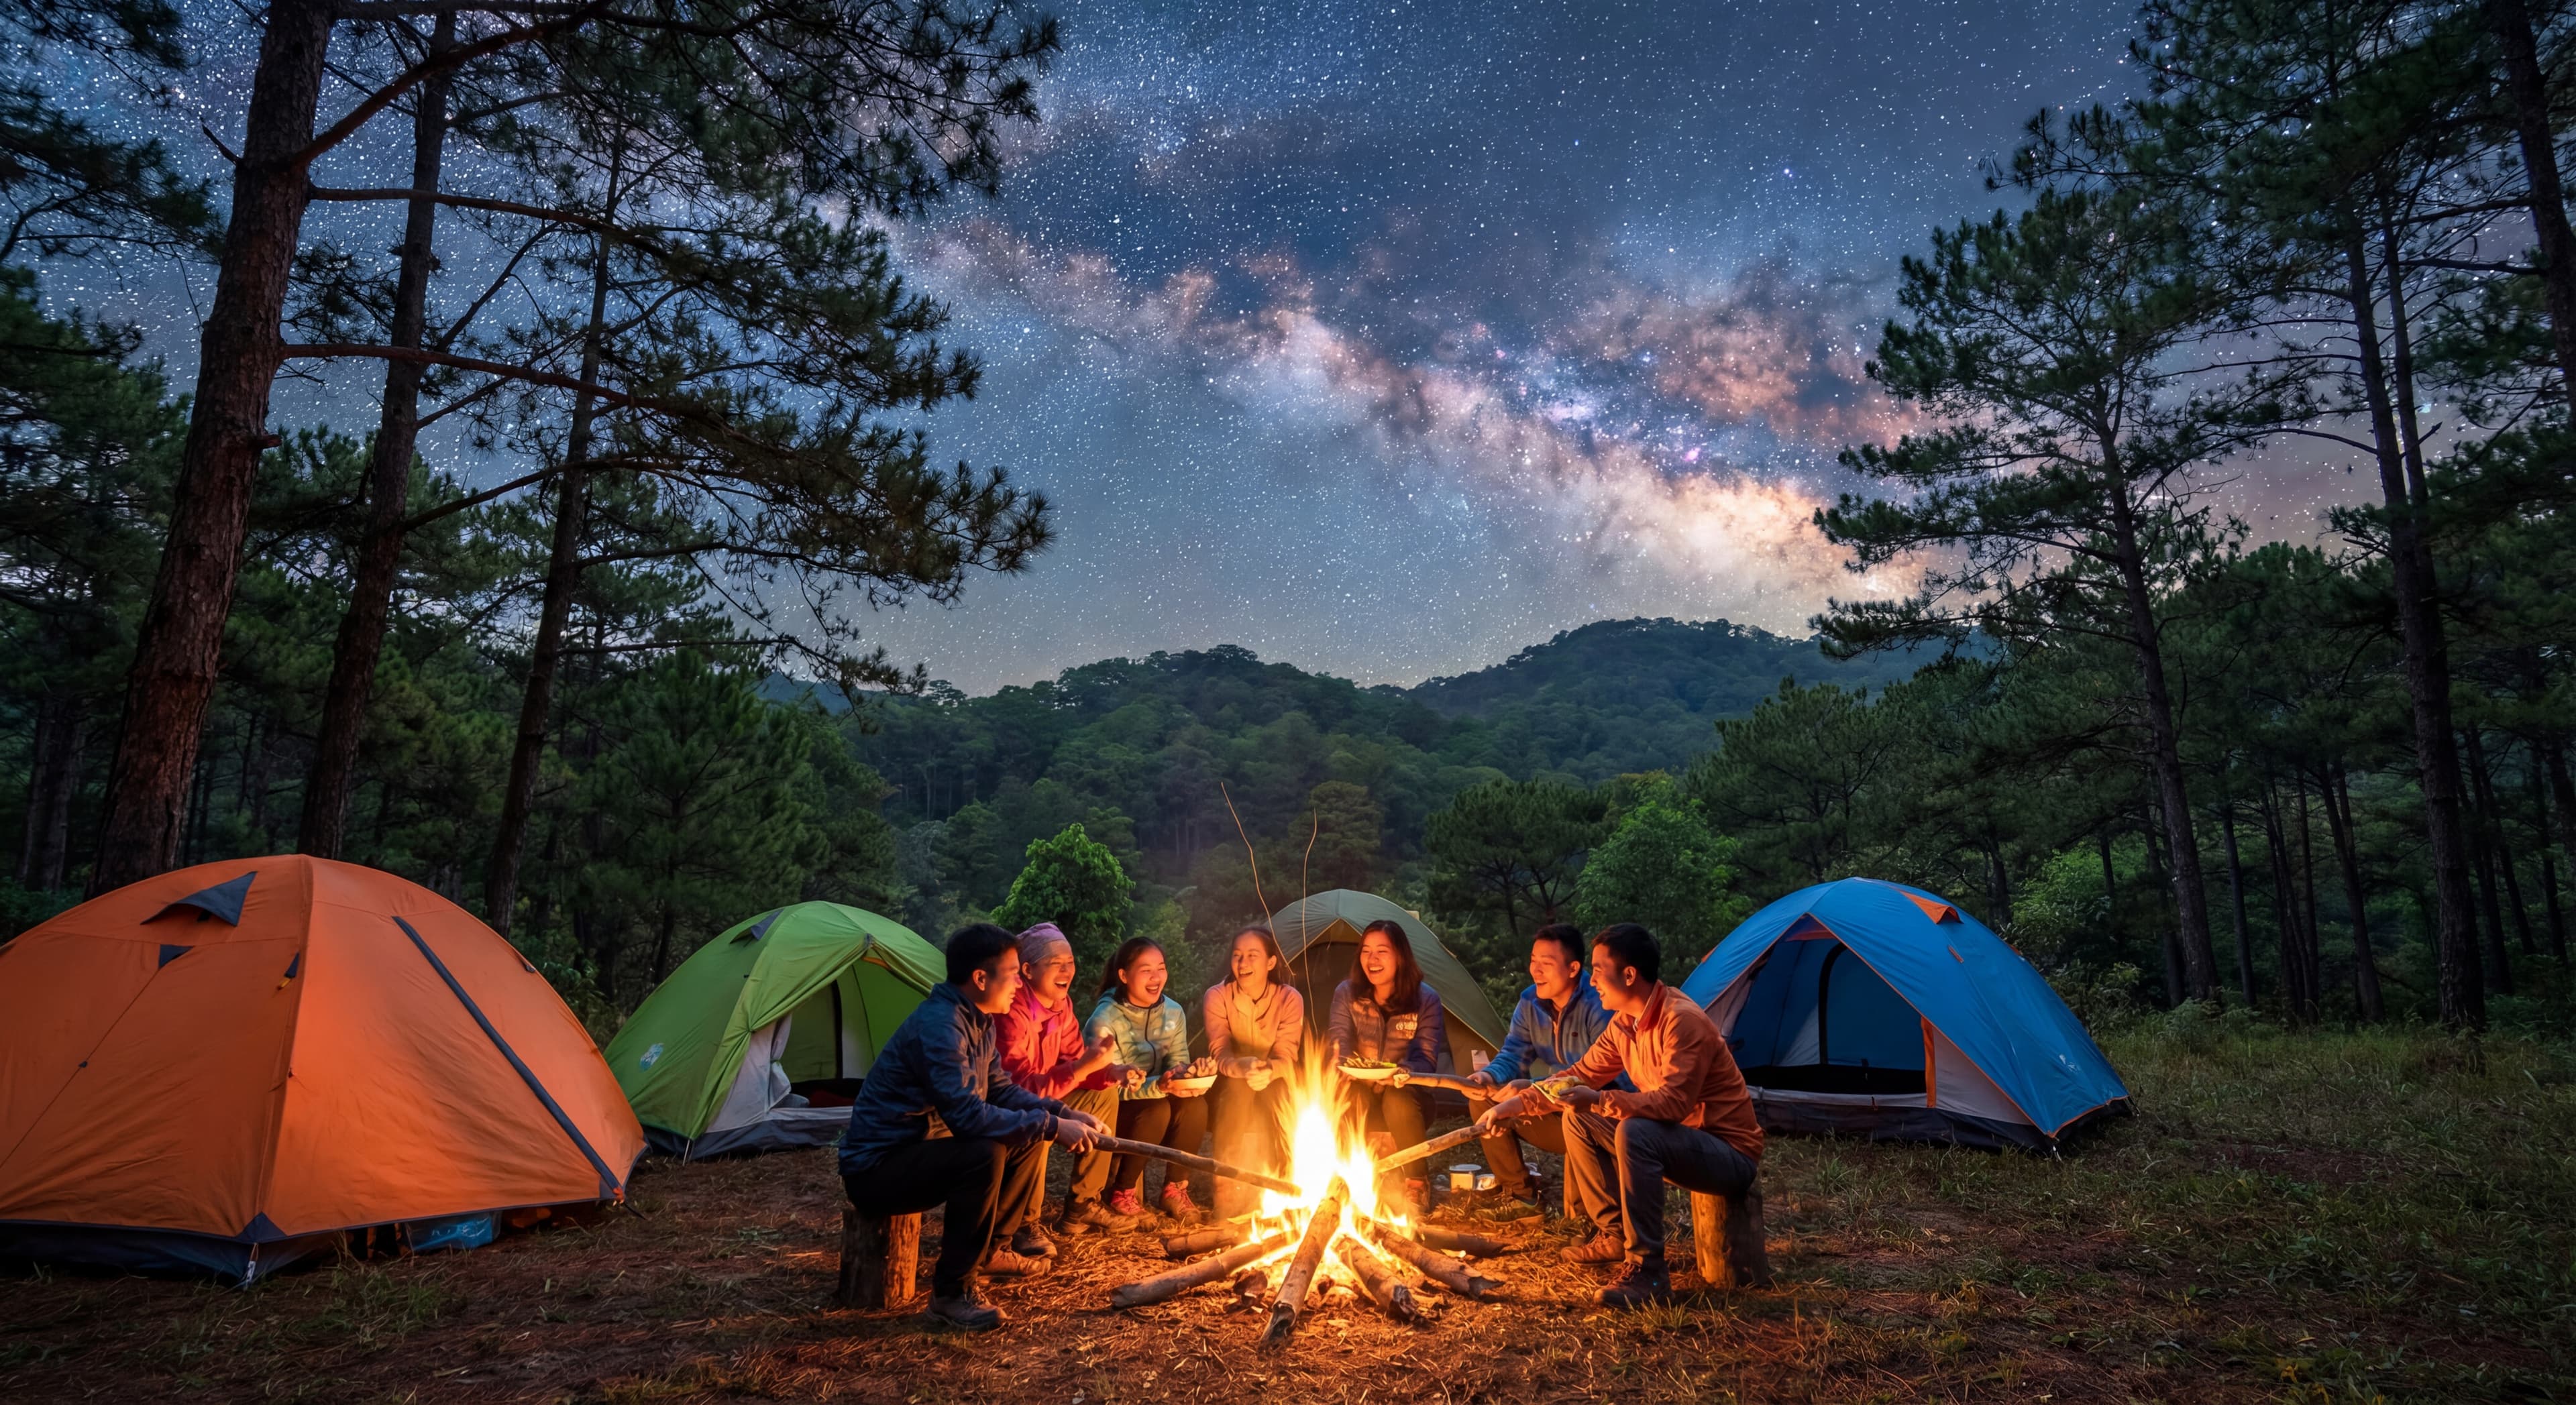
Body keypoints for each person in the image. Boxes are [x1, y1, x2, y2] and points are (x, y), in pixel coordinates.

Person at [1475, 922, 1763, 1308]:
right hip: (1677, 1141)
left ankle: (1649, 1271)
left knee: (1633, 1130)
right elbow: (1577, 1076)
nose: (1592, 981)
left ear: (1629, 974)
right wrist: (1516, 1104)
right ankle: (1613, 1233)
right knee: (1577, 1118)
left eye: (1598, 969)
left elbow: (1673, 1105)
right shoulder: (1625, 1024)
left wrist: (1596, 1100)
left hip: (1726, 1153)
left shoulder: (1681, 1021)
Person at [839, 923, 1106, 1331]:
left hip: (919, 1149)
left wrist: (1059, 1114)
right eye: (1014, 973)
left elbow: (1000, 1090)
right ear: (980, 978)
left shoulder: (977, 1019)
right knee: (984, 1153)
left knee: (1027, 1135)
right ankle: (951, 1293)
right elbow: (966, 1116)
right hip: (876, 1168)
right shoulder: (942, 1026)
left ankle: (994, 1248)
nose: (1020, 983)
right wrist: (1051, 1125)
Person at [993, 923, 1130, 1253]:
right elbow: (1018, 1085)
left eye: (1070, 962)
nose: (1067, 970)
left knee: (1103, 1094)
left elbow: (1072, 1062)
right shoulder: (1010, 1009)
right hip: (1009, 1101)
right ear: (1027, 970)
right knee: (1038, 1116)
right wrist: (1084, 1067)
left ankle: (1083, 1204)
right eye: (1057, 963)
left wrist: (1111, 1072)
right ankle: (1025, 1223)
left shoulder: (1061, 1005)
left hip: (1044, 1092)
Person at [1467, 922, 1613, 1209]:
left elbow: (1597, 1078)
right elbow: (1514, 1053)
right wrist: (1488, 1075)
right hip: (1552, 1107)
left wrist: (1532, 1089)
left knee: (1575, 1115)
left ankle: (1594, 1216)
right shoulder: (1531, 1001)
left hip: (1595, 1116)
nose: (1536, 971)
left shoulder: (1600, 1006)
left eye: (1546, 963)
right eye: (1533, 961)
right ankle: (1521, 1195)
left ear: (1573, 969)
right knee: (1484, 1101)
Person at [1079, 938, 1214, 1225]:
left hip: (1154, 1100)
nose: (1156, 978)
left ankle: (1175, 1190)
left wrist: (1190, 1074)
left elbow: (1177, 1060)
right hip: (1115, 1108)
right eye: (1146, 970)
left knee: (1196, 1107)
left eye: (1161, 968)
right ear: (1124, 976)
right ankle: (1122, 1194)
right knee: (1157, 1109)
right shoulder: (1105, 1020)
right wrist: (1160, 1086)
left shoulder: (1174, 1012)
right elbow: (1107, 1086)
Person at [1327, 917, 1444, 1191]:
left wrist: (1401, 1073)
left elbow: (1426, 1060)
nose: (1372, 959)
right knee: (1348, 1096)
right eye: (1366, 951)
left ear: (1400, 956)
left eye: (1382, 951)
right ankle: (1348, 1183)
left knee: (1397, 1097)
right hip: (1360, 1092)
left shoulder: (1426, 999)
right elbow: (1338, 1045)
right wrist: (1348, 1071)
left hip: (1409, 1100)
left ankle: (1417, 1183)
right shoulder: (1347, 994)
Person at [1201, 923, 1305, 1217]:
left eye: (1252, 955)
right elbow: (1219, 1050)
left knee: (1282, 1093)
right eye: (1237, 955)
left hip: (1274, 1076)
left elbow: (1287, 1056)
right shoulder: (1218, 996)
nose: (1243, 963)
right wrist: (1240, 1067)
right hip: (1231, 1078)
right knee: (1235, 1093)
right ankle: (1227, 1186)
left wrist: (1268, 1070)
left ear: (1271, 962)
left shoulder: (1289, 999)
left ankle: (1286, 1183)